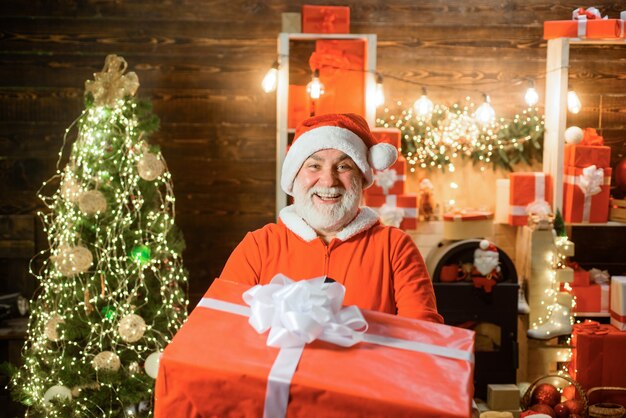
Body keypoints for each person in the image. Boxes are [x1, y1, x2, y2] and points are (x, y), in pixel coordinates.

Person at [219, 113, 442, 323]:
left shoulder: (395, 248)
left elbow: (423, 337)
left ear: (361, 179)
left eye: (343, 166)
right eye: (314, 166)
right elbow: (220, 327)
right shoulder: (258, 247)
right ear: (294, 176)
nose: (328, 181)